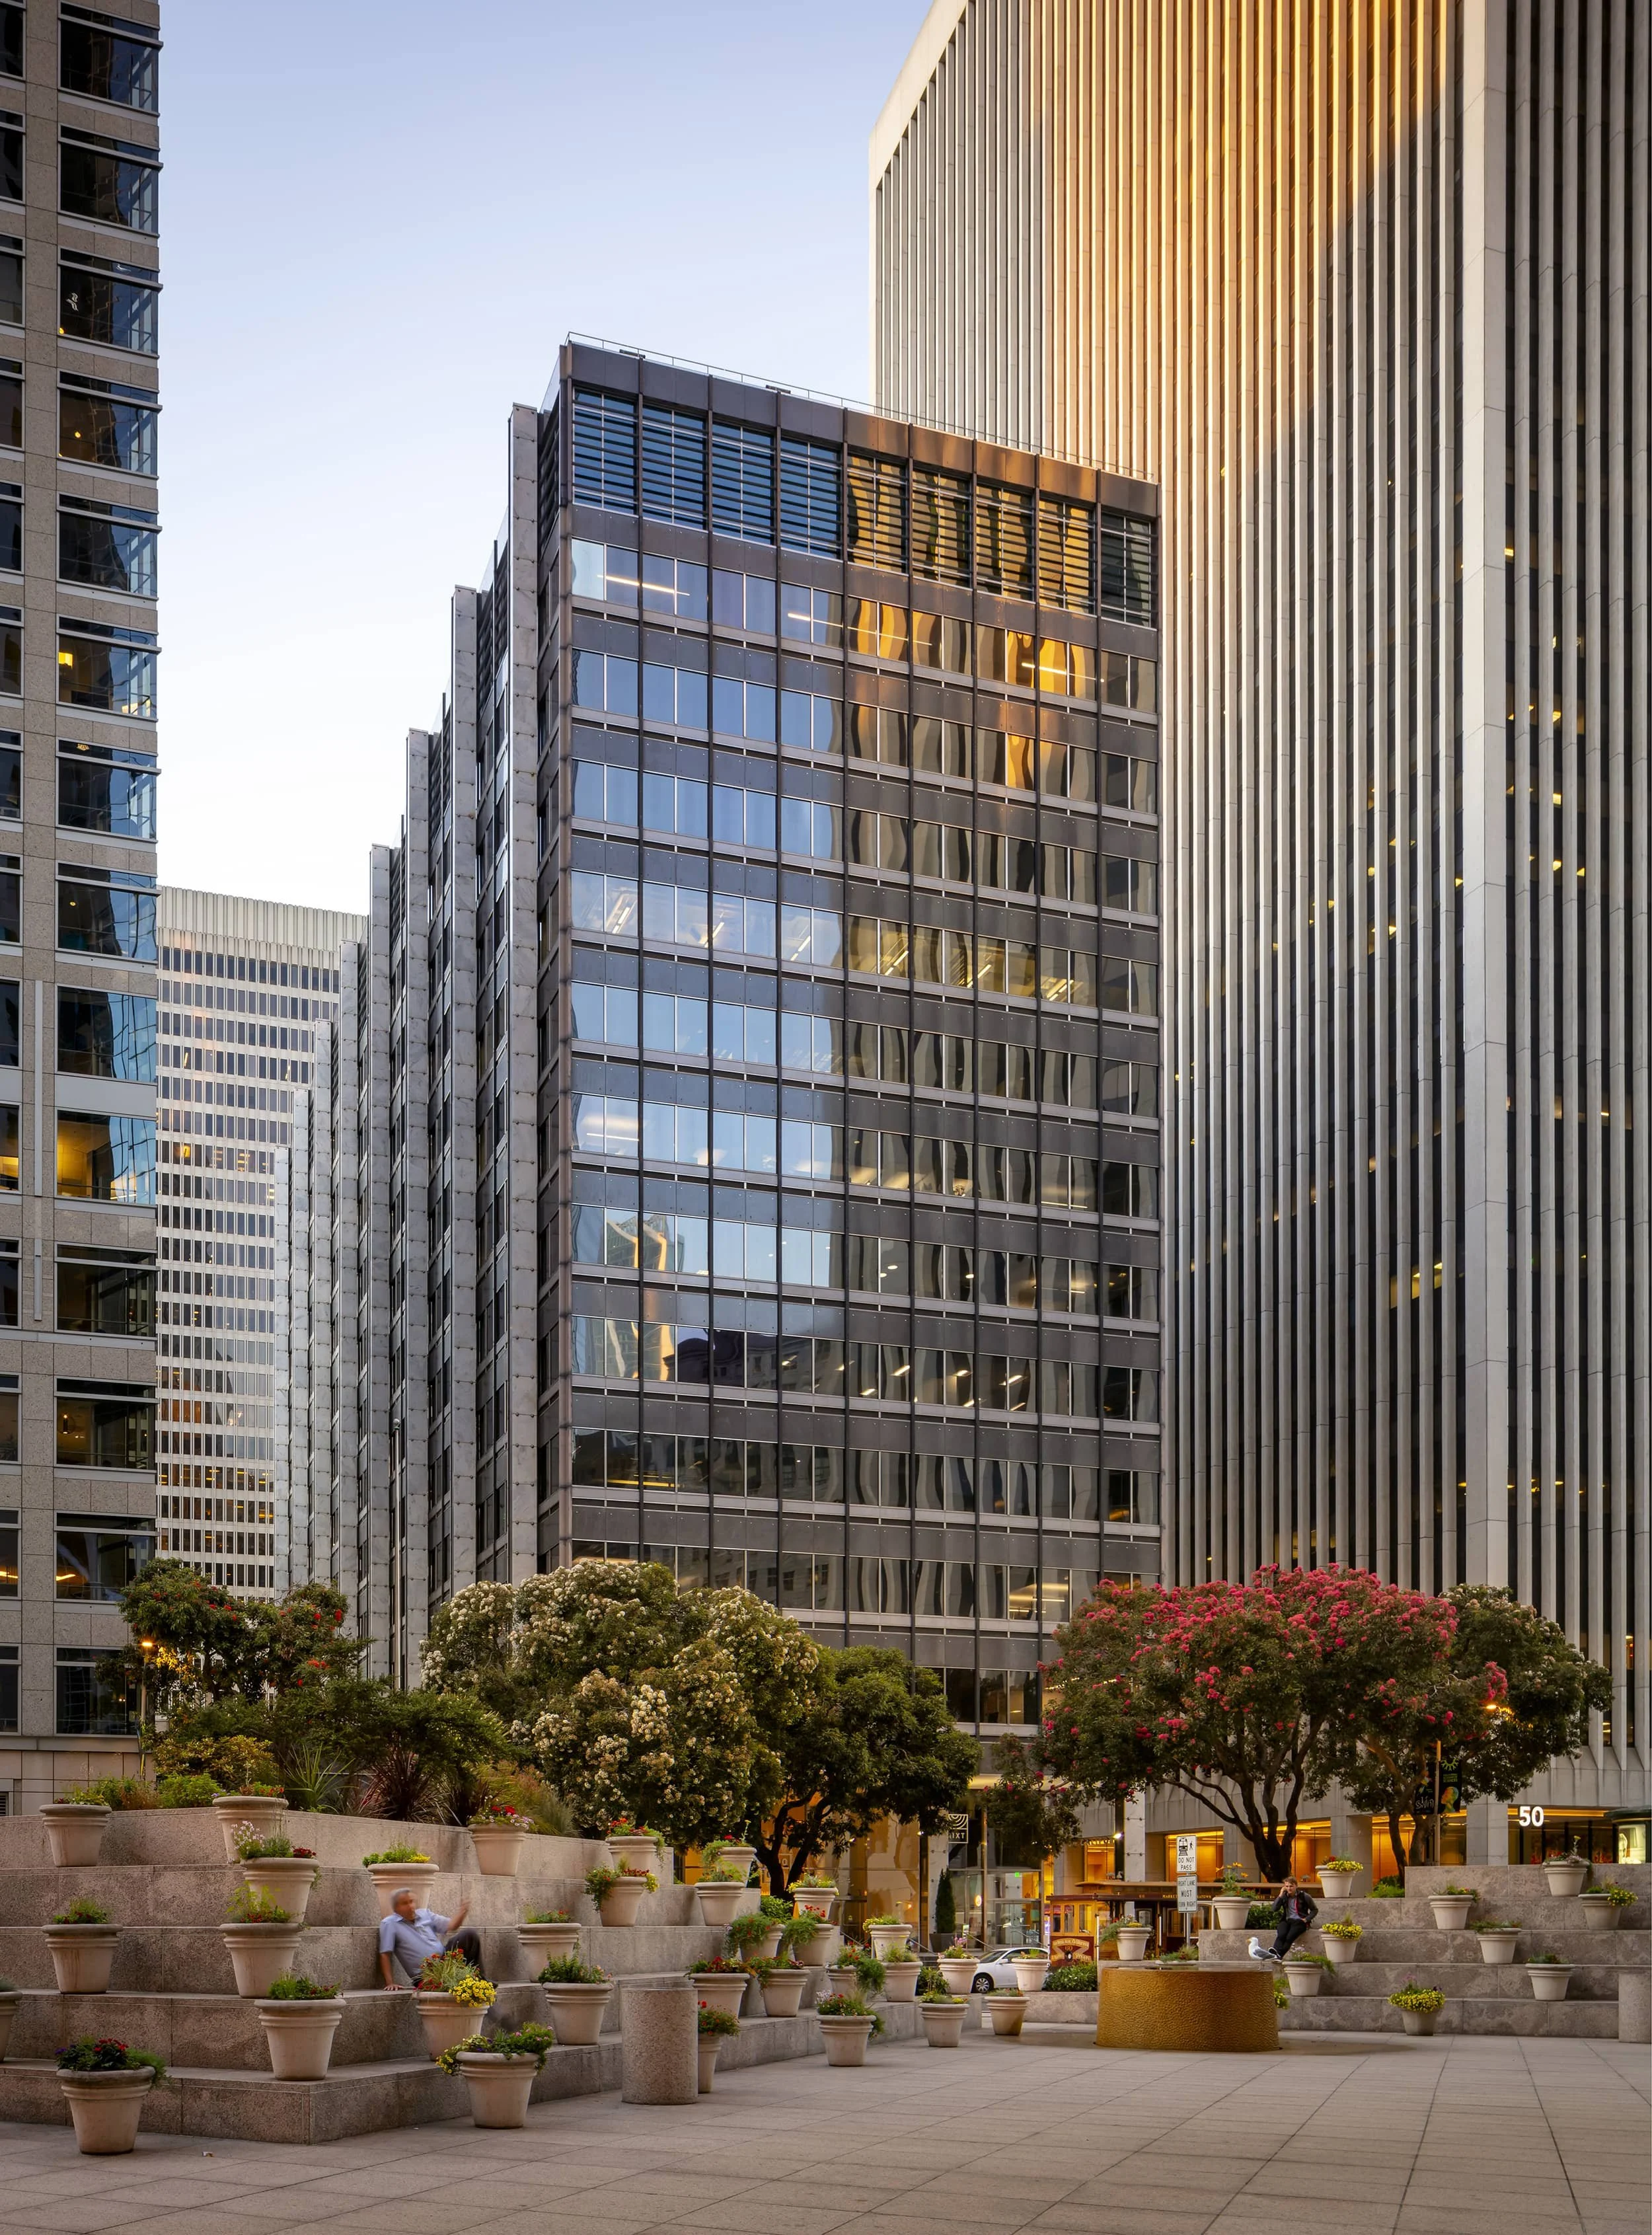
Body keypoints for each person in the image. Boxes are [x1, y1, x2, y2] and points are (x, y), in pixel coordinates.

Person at [377, 1885, 480, 1989]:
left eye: (412, 1901)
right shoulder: (389, 1924)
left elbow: (452, 1926)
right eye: (405, 1903)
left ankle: (480, 1979)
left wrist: (462, 1912)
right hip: (426, 1975)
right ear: (396, 1908)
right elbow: (385, 1954)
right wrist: (390, 1983)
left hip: (445, 1961)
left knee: (469, 1935)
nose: (410, 1906)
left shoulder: (425, 1914)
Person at [1248, 1875, 1318, 1962]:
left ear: (1296, 1886)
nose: (1289, 1888)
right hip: (1287, 1920)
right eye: (1287, 1886)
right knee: (1281, 1934)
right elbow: (1274, 1909)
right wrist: (1280, 1895)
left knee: (1289, 1938)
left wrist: (1306, 1919)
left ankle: (1278, 1955)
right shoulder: (1284, 1896)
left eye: (1291, 1886)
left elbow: (1315, 1910)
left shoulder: (1305, 1896)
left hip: (1300, 1921)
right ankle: (1274, 1954)